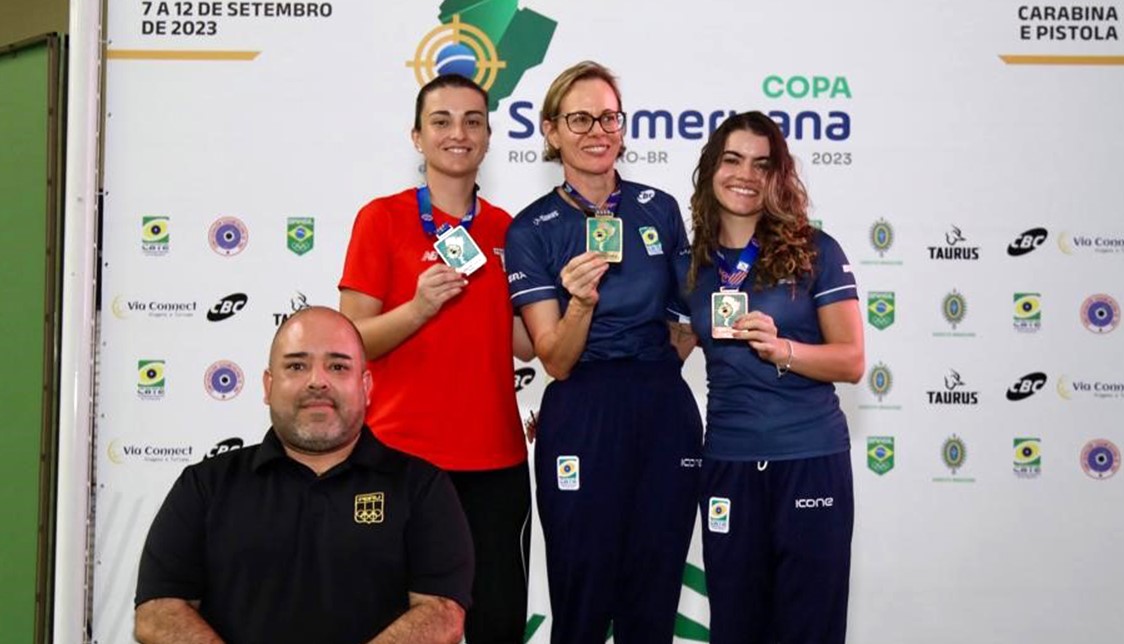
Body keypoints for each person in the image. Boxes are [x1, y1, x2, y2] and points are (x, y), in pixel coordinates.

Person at [503, 60, 703, 644]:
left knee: (655, 586)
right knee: (582, 590)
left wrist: (655, 377)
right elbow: (555, 360)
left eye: (609, 117)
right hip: (582, 407)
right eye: (581, 118)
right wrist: (582, 303)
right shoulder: (531, 230)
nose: (598, 131)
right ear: (551, 130)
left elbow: (684, 318)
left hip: (661, 405)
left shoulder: (659, 208)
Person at [133, 306, 473, 644]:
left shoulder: (423, 488)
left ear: (366, 386)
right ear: (268, 385)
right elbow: (157, 613)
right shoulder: (206, 485)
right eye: (297, 366)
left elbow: (441, 614)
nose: (317, 381)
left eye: (338, 366)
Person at [338, 74, 533, 644]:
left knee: (495, 622)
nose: (458, 133)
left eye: (473, 120)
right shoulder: (382, 219)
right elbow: (350, 340)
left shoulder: (509, 230)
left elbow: (525, 343)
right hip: (399, 459)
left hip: (494, 462)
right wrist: (418, 309)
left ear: (489, 136)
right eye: (442, 121)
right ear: (417, 137)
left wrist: (580, 304)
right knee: (393, 625)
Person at [674, 111, 865, 644]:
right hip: (729, 466)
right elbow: (658, 359)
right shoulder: (692, 266)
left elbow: (851, 361)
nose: (746, 175)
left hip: (809, 460)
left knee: (810, 627)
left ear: (779, 175)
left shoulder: (815, 251)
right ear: (711, 168)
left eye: (763, 164)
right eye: (733, 159)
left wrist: (784, 350)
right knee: (736, 628)